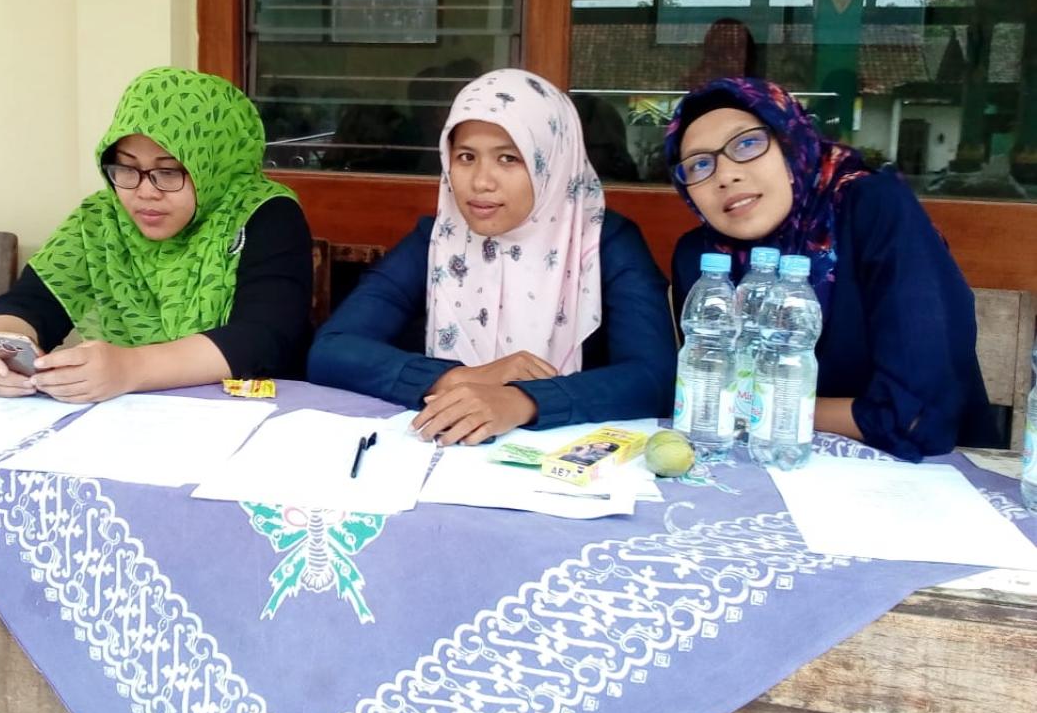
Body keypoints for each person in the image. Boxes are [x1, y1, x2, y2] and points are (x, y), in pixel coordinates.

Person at [307, 68, 676, 445]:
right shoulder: (438, 239)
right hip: (448, 454)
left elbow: (654, 380)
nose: (481, 181)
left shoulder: (603, 242)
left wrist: (524, 400)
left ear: (552, 161)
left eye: (509, 158)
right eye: (466, 156)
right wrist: (455, 378)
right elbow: (332, 349)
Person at [664, 76, 996, 460]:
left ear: (791, 143)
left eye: (747, 143)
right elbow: (703, 390)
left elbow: (915, 417)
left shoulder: (873, 209)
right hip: (757, 465)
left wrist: (761, 411)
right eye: (699, 164)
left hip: (925, 474)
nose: (725, 175)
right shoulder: (701, 259)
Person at [0, 67, 312, 403]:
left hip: (251, 412)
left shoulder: (265, 213)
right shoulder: (103, 217)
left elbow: (263, 337)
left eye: (168, 172)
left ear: (213, 166)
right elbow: (29, 302)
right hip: (134, 415)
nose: (145, 192)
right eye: (126, 168)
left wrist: (130, 367)